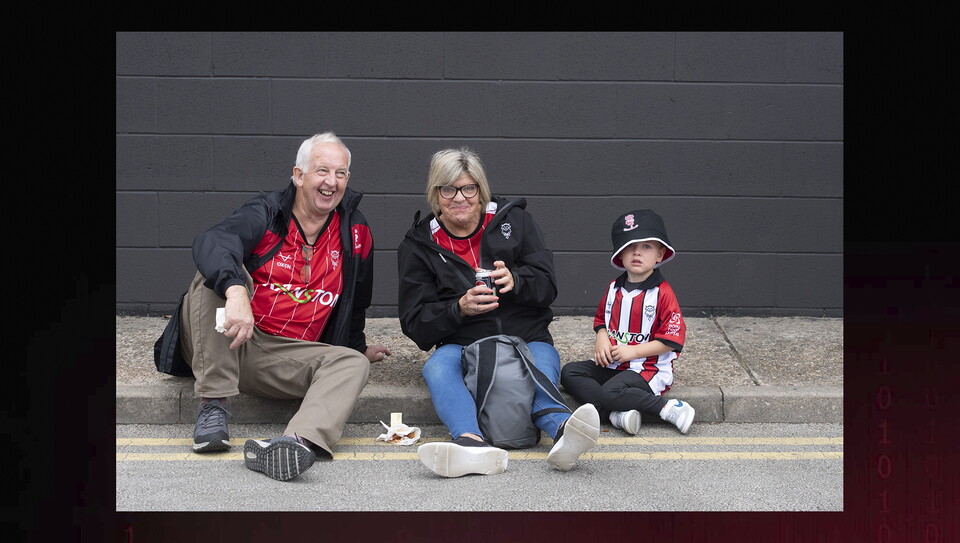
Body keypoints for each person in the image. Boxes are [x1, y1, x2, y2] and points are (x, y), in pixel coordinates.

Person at [153, 132, 392, 482]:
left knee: (352, 363)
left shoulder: (354, 231)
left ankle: (295, 443)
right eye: (322, 171)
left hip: (282, 357)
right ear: (298, 175)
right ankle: (213, 406)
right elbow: (215, 241)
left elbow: (356, 301)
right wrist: (236, 293)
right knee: (211, 281)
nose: (331, 182)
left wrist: (356, 347)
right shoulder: (266, 213)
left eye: (340, 174)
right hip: (228, 339)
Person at [397, 147, 599, 478]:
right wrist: (457, 308)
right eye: (448, 189)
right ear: (436, 194)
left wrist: (517, 280)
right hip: (461, 341)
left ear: (481, 191)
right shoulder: (419, 245)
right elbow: (414, 323)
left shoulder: (514, 220)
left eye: (468, 188)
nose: (459, 198)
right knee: (436, 368)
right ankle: (470, 443)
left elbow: (548, 287)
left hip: (525, 334)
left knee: (540, 363)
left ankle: (563, 431)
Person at [560, 209, 695, 435]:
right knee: (570, 373)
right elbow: (601, 319)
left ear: (660, 255)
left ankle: (669, 408)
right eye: (630, 247)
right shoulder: (614, 288)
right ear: (620, 254)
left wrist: (634, 352)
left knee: (609, 392)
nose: (637, 252)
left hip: (647, 369)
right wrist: (601, 336)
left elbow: (671, 340)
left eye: (646, 247)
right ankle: (616, 415)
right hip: (615, 365)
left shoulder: (662, 293)